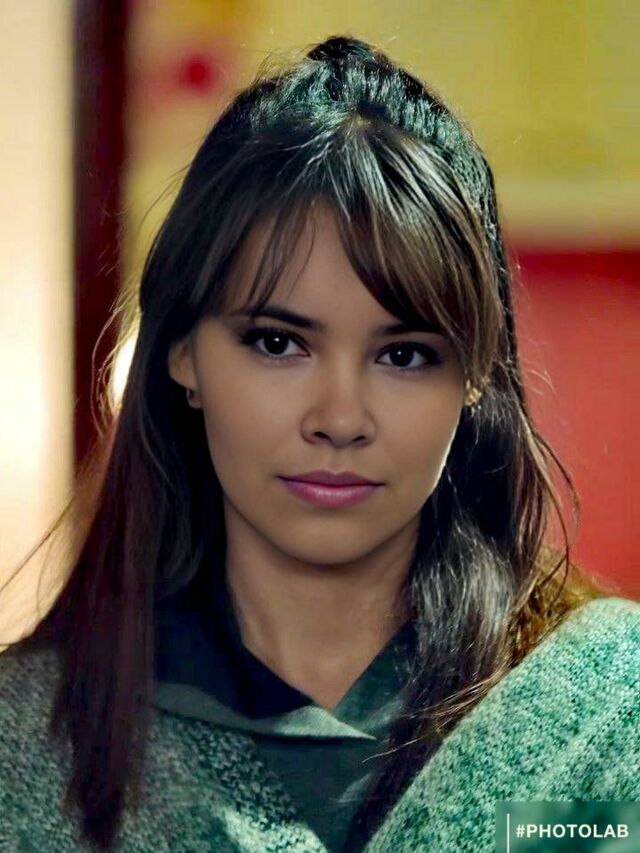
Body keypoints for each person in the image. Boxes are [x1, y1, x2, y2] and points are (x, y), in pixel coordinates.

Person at [0, 34, 638, 853]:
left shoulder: (607, 715)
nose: (340, 417)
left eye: (404, 355)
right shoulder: (26, 748)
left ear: (477, 372)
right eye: (278, 343)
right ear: (182, 351)